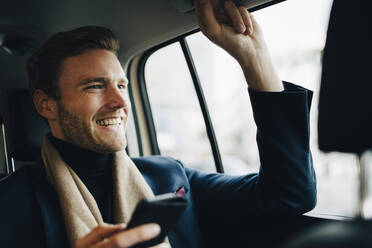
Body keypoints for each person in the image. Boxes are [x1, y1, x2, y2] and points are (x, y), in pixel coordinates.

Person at [0, 0, 316, 247]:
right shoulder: (9, 203)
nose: (119, 102)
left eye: (121, 86)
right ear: (46, 104)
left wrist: (254, 59)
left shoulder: (170, 176)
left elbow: (289, 195)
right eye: (95, 86)